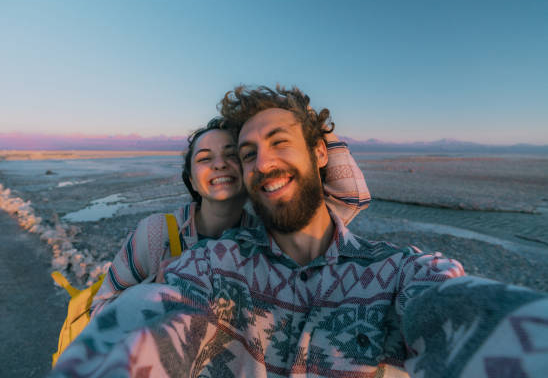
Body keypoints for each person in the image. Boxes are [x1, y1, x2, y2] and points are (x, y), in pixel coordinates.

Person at [52, 86, 547, 378]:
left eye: (279, 142)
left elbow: (459, 308)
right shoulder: (212, 265)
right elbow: (154, 313)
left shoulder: (397, 273)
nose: (261, 162)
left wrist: (311, 127)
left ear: (319, 154)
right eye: (249, 154)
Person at [91, 115, 371, 316]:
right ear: (190, 177)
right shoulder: (156, 234)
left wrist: (306, 118)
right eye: (204, 158)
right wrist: (155, 289)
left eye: (233, 155)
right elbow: (100, 311)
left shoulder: (266, 235)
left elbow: (350, 197)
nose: (220, 164)